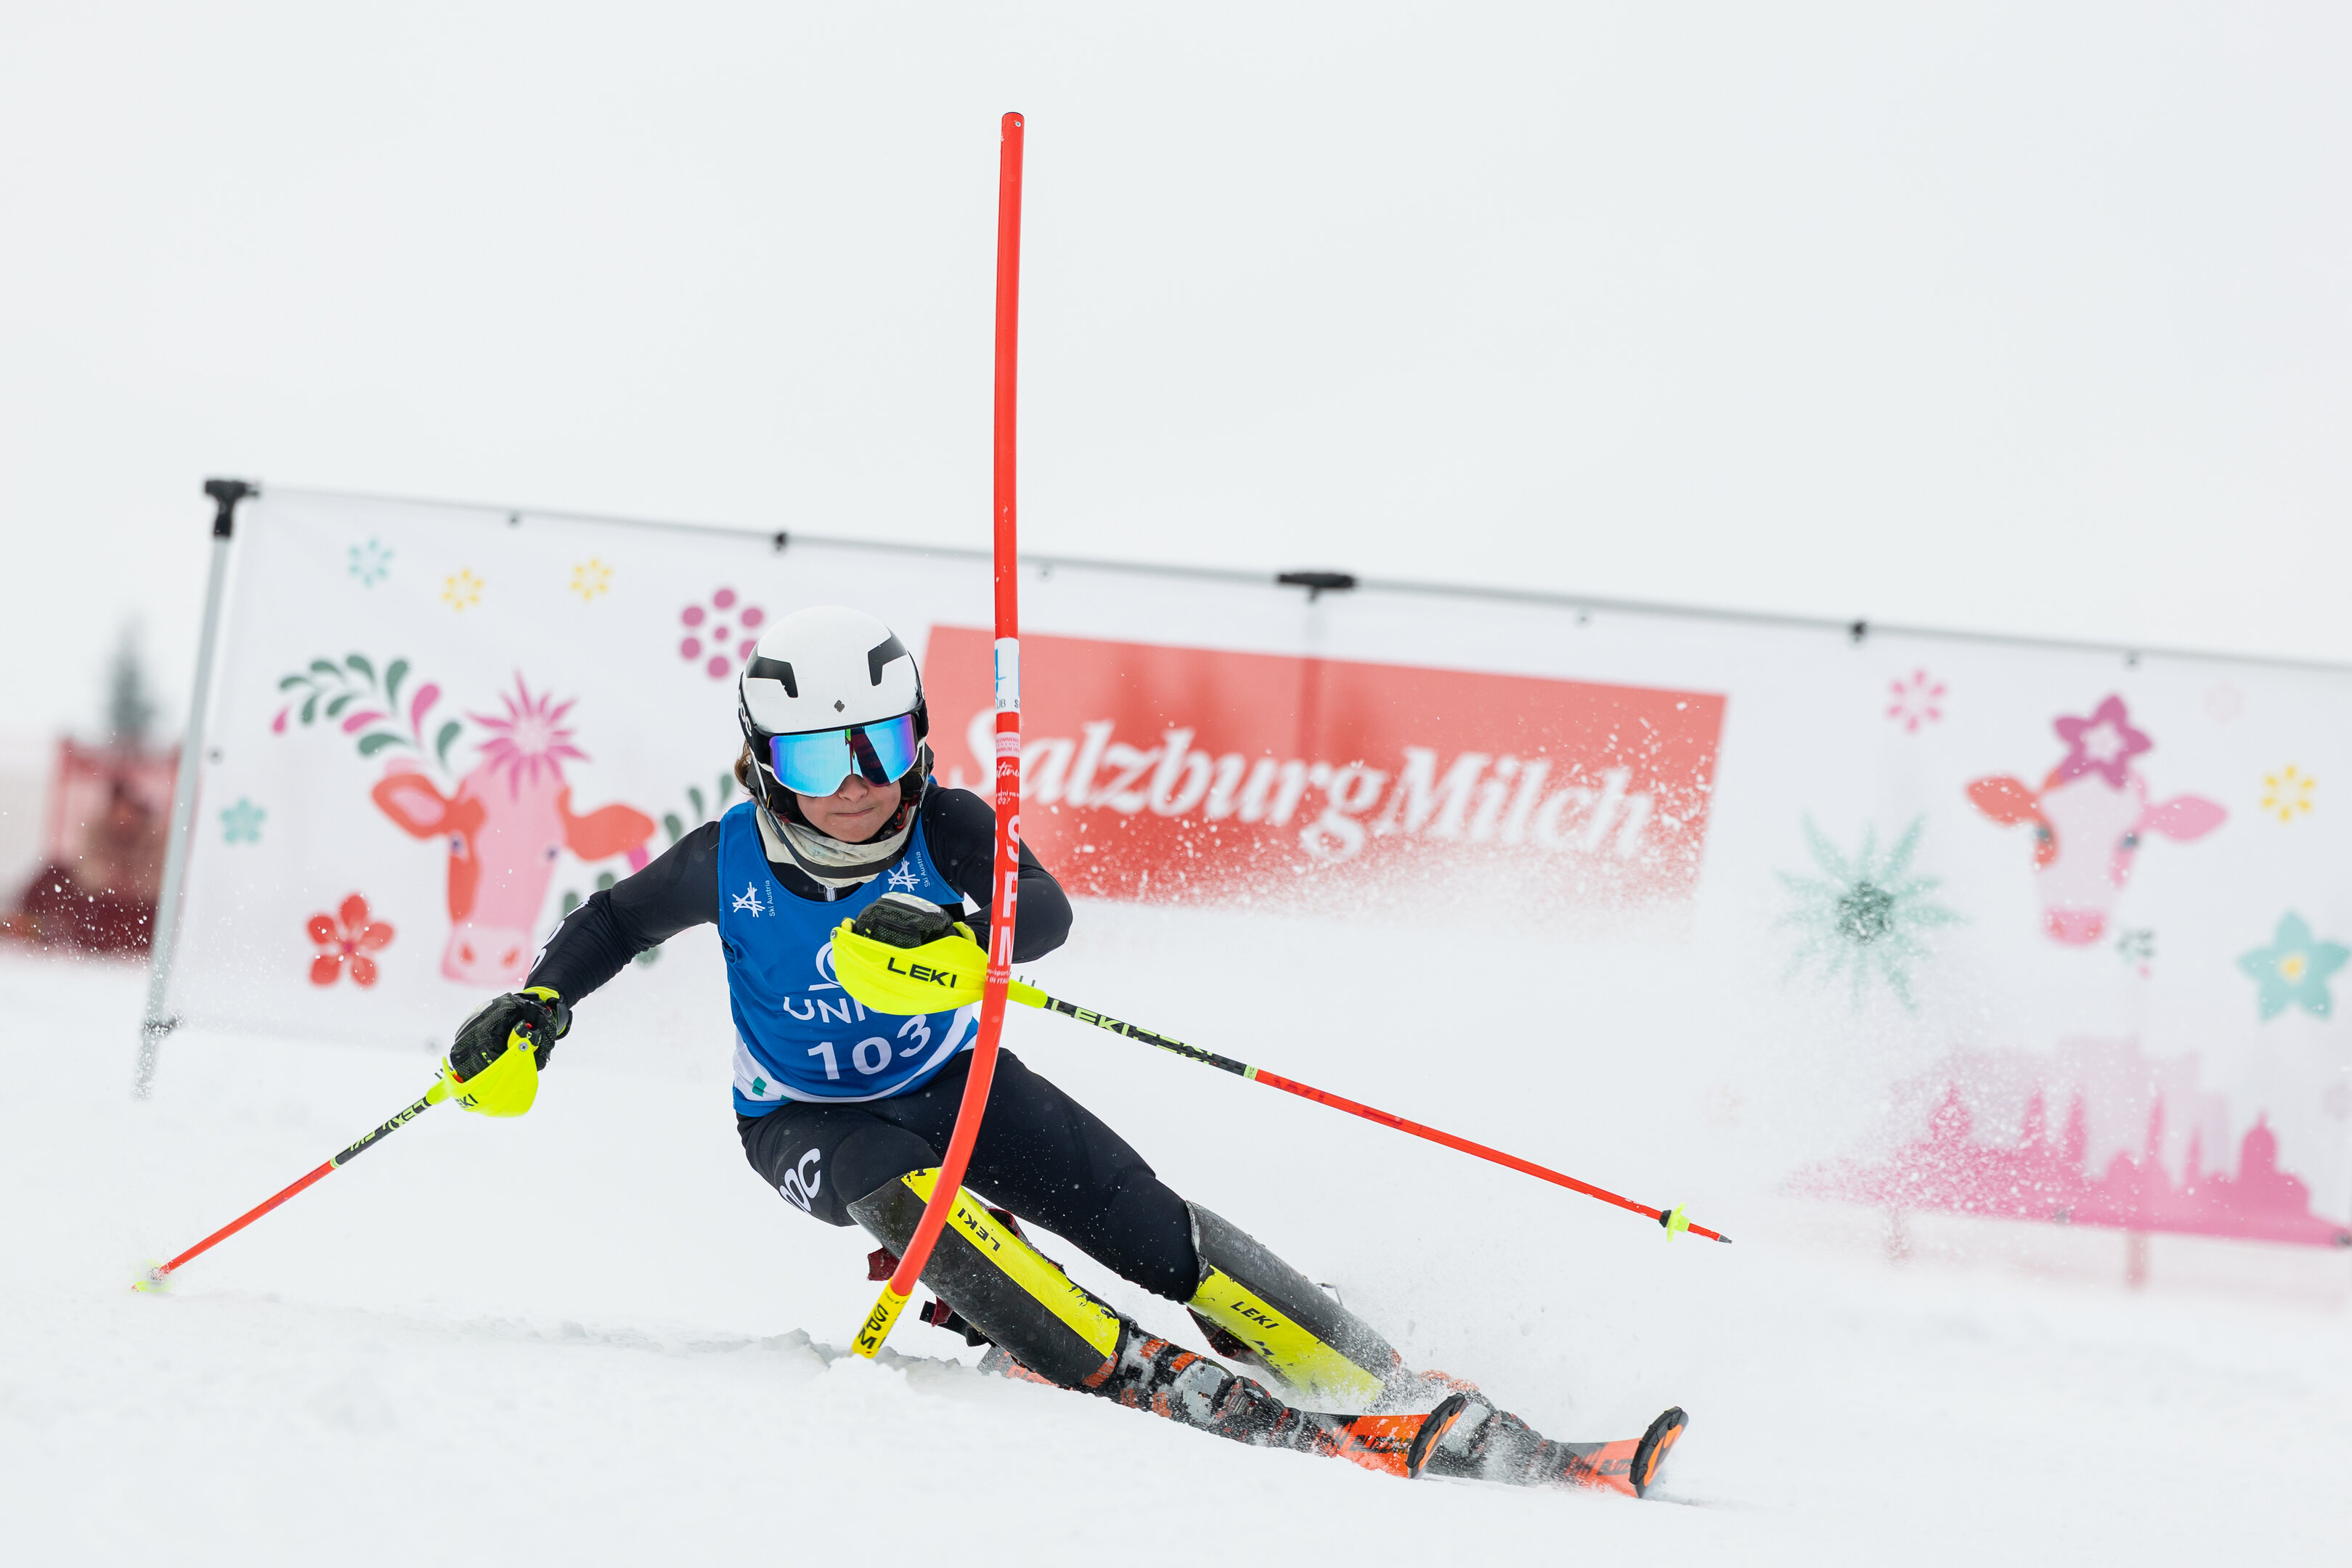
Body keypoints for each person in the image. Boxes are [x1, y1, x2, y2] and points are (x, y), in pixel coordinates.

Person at [438, 605, 1677, 1492]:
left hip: (960, 1082)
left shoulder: (950, 827)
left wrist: (968, 930)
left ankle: (1374, 1378)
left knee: (1149, 1227)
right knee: (894, 1187)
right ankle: (1124, 1366)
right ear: (766, 764)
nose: (859, 782)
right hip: (801, 1123)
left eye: (882, 745)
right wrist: (538, 1007)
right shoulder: (729, 858)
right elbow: (613, 922)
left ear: (918, 739)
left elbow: (1047, 915)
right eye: (821, 756)